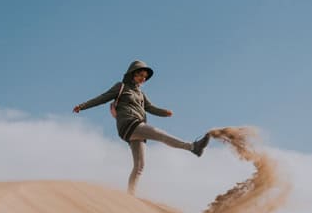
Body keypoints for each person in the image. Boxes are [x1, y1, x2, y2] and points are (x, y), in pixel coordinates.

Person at [73, 60, 210, 195]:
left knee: (139, 166)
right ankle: (193, 147)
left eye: (145, 77)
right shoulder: (121, 87)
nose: (143, 79)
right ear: (132, 74)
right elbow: (102, 98)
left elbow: (150, 108)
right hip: (129, 123)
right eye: (140, 75)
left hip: (137, 128)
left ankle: (130, 196)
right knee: (159, 134)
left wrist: (164, 112)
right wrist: (82, 106)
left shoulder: (141, 94)